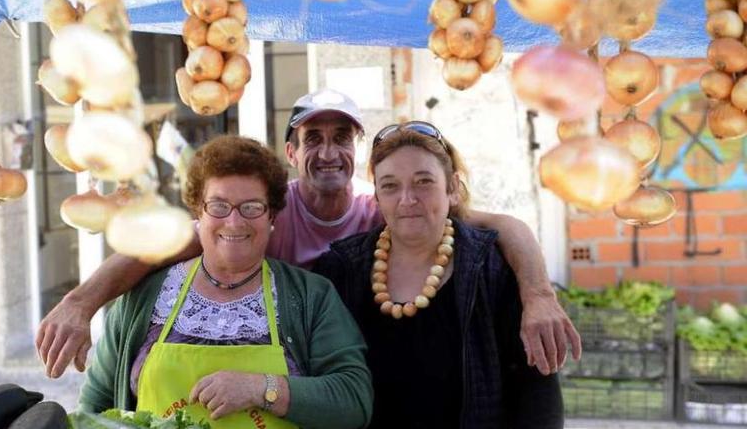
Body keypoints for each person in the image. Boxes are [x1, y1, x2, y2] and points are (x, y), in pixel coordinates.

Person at [37, 89, 581, 379]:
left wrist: (537, 295)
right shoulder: (260, 216)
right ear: (291, 153)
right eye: (312, 137)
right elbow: (157, 247)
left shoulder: (385, 213)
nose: (327, 150)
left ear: (356, 155)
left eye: (341, 136)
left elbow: (503, 225)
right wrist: (80, 304)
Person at [79, 135, 372, 429]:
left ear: (272, 214)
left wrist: (262, 389)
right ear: (198, 211)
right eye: (219, 206)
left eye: (251, 207)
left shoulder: (311, 296)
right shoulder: (145, 298)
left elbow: (354, 399)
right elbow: (94, 408)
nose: (234, 222)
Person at [314, 122, 563, 428]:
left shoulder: (492, 271)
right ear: (376, 197)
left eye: (423, 182)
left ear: (453, 189)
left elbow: (537, 394)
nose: (407, 199)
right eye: (390, 185)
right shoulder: (341, 270)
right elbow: (320, 383)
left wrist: (540, 293)